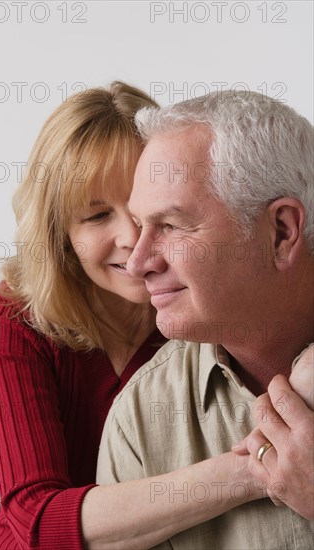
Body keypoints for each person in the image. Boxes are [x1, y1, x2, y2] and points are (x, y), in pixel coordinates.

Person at [0, 83, 267, 550]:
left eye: (146, 210)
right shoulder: (14, 318)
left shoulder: (203, 302)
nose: (134, 239)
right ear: (59, 234)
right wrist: (248, 471)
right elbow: (38, 521)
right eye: (96, 217)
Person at [97, 90, 314, 549]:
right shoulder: (138, 419)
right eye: (141, 226)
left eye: (171, 226)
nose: (137, 263)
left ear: (281, 232)